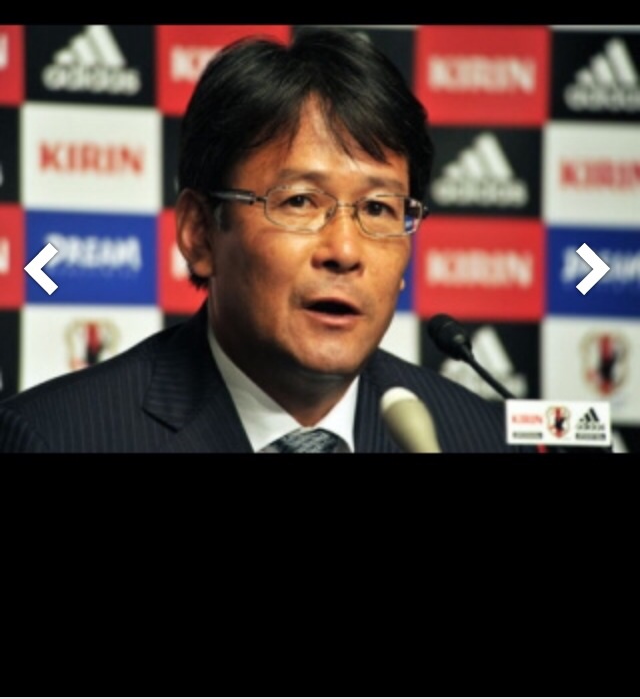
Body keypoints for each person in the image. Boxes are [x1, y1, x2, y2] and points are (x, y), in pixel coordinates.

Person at [0, 29, 518, 453]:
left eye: (378, 209)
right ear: (199, 233)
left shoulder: (478, 439)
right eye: (300, 201)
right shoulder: (58, 437)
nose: (344, 251)